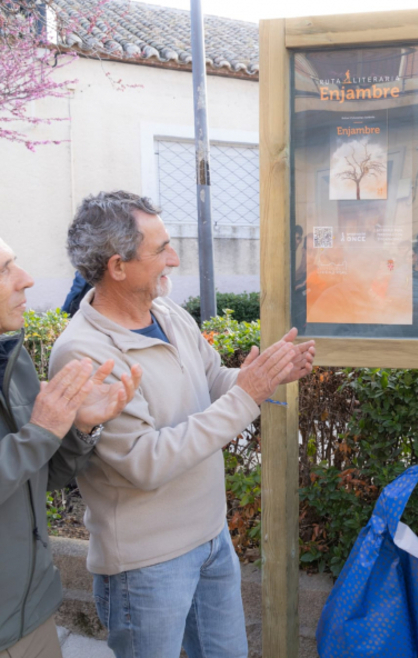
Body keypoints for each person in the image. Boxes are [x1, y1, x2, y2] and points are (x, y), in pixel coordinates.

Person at [49, 191, 316, 658]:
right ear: (117, 266)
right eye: (160, 249)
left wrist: (267, 375)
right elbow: (144, 462)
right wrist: (247, 393)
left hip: (212, 539)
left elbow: (212, 379)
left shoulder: (167, 313)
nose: (173, 259)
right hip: (145, 566)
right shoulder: (84, 352)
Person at [0, 236, 139, 658]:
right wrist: (41, 432)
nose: (26, 279)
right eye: (4, 270)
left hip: (32, 615)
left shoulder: (12, 358)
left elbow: (38, 479)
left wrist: (78, 428)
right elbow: (30, 446)